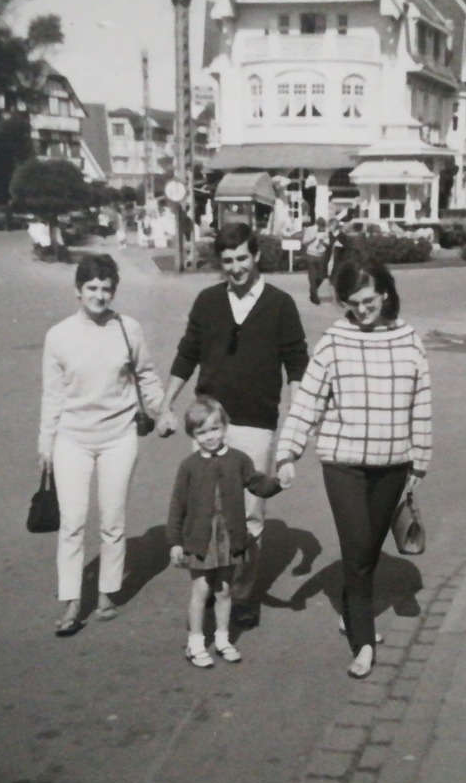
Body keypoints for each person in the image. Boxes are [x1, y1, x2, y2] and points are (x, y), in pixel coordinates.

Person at [276, 256, 433, 680]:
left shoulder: (408, 339)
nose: (361, 311)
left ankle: (352, 608)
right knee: (358, 550)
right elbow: (307, 402)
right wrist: (287, 454)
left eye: (368, 301)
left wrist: (420, 458)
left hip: (393, 465)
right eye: (352, 304)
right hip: (343, 465)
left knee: (365, 554)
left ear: (385, 292)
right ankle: (364, 643)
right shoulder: (334, 341)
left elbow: (421, 403)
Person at [157, 222, 309, 630]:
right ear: (219, 263)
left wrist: (297, 407)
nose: (237, 268)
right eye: (228, 261)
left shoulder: (280, 303)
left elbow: (297, 359)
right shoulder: (208, 301)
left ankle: (241, 594)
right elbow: (187, 352)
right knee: (206, 512)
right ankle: (213, 586)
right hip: (209, 425)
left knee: (250, 515)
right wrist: (166, 403)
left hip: (256, 424)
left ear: (256, 255)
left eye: (243, 258)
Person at [39, 254, 167, 636]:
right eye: (92, 288)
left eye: (106, 288)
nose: (99, 295)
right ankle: (72, 600)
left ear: (114, 291)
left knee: (112, 520)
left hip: (118, 437)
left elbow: (147, 376)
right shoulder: (58, 336)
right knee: (73, 522)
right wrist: (45, 443)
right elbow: (52, 395)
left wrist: (163, 412)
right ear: (78, 291)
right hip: (72, 440)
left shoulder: (129, 329)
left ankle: (108, 591)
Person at [167, 396, 284, 668]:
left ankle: (222, 638)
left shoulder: (238, 460)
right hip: (200, 539)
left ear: (225, 427)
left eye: (214, 429)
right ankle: (195, 642)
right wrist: (174, 542)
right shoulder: (189, 466)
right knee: (201, 589)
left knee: (224, 590)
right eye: (202, 432)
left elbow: (257, 485)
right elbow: (177, 506)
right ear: (193, 435)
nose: (210, 437)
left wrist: (279, 483)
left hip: (229, 538)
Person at [302, 217, 331, 304]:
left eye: (323, 227)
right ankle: (315, 297)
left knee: (321, 276)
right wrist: (313, 239)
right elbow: (304, 243)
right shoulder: (310, 230)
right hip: (311, 254)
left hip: (321, 256)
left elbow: (327, 245)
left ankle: (313, 291)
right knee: (312, 276)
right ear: (317, 225)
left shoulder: (326, 231)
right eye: (321, 227)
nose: (322, 229)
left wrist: (322, 242)